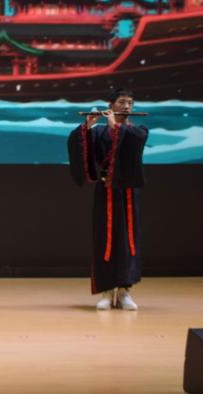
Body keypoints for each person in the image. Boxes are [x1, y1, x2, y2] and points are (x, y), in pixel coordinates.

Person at [67, 89, 148, 311]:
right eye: (122, 102)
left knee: (128, 240)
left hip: (128, 193)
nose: (127, 106)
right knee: (106, 239)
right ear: (110, 105)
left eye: (130, 103)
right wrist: (87, 127)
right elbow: (78, 144)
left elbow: (132, 145)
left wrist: (115, 126)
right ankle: (106, 290)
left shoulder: (138, 131)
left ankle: (124, 292)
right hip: (106, 190)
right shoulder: (100, 131)